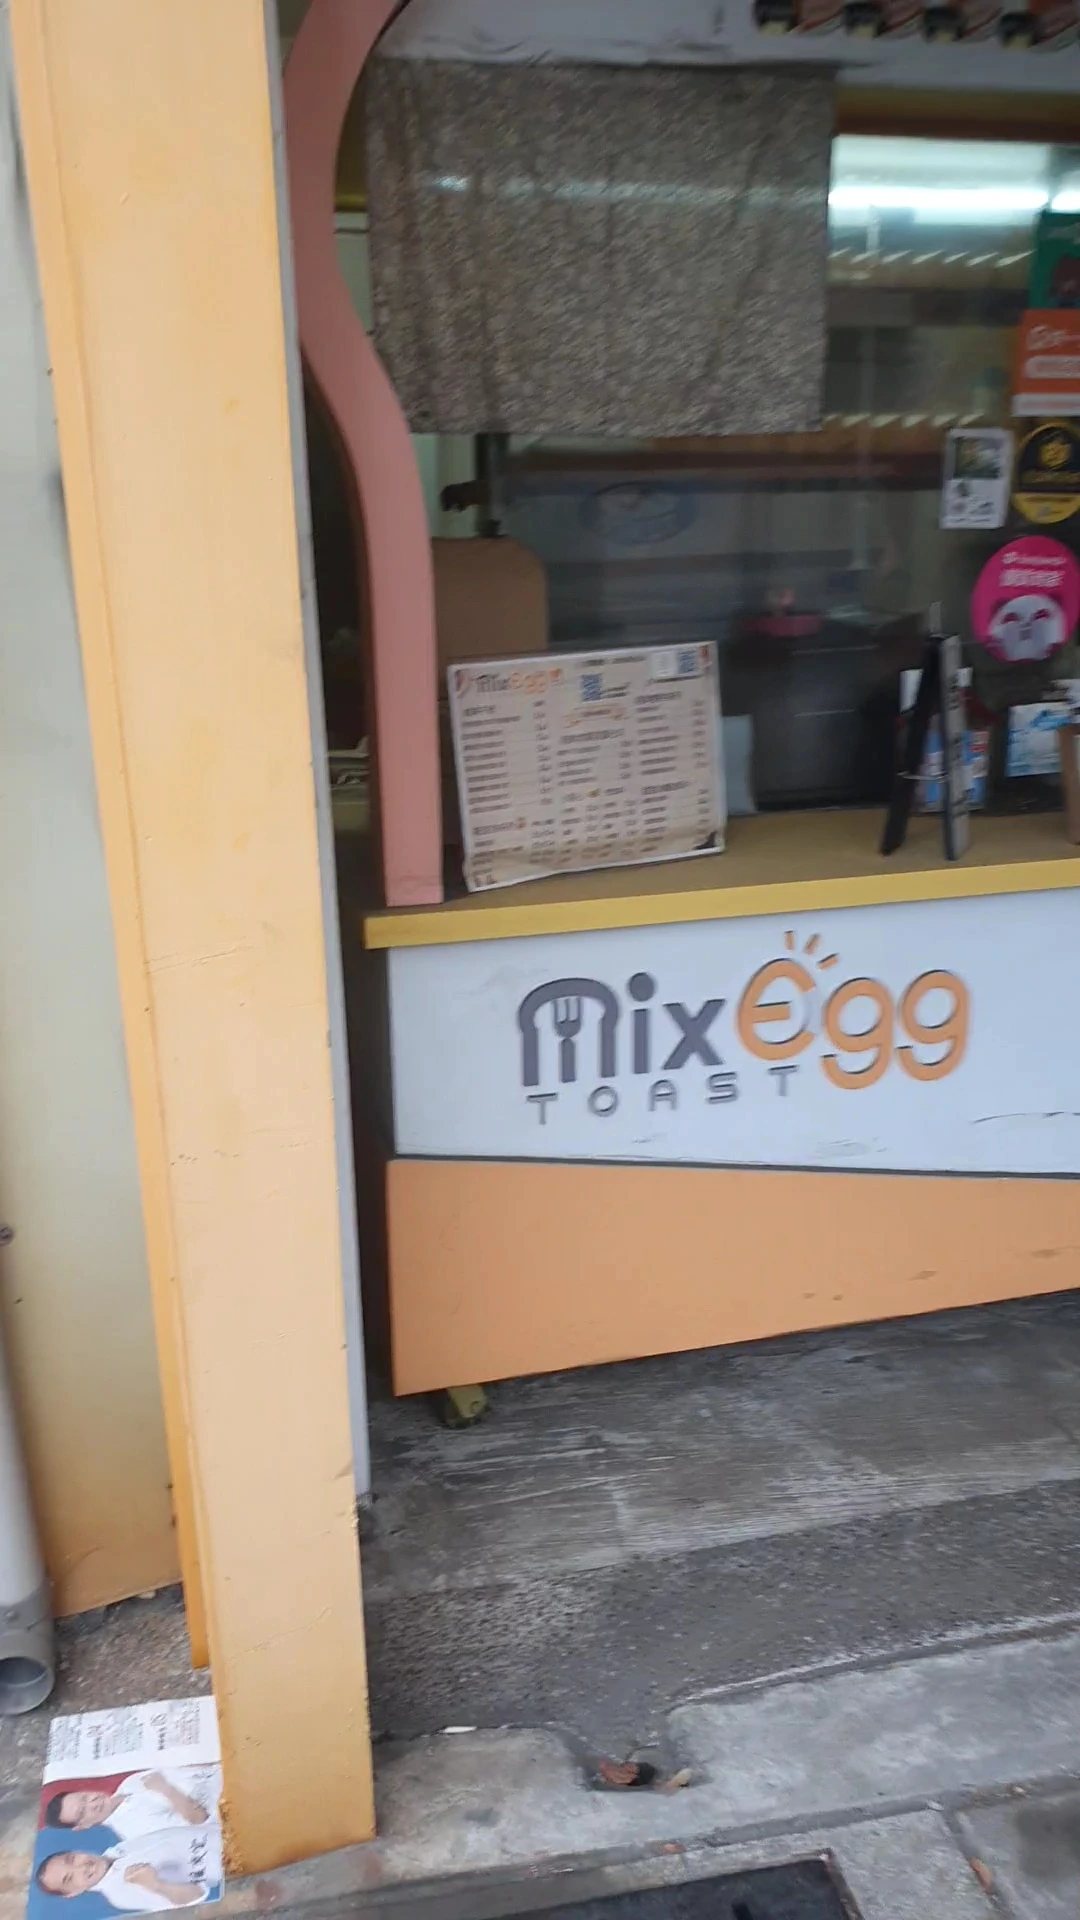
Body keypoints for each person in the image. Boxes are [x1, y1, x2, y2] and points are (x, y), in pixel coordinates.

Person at [35, 1822, 223, 1912]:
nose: (82, 1866)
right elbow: (197, 1896)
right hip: (228, 1857)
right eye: (69, 1878)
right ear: (72, 1893)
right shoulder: (120, 1894)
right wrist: (157, 1886)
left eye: (71, 1859)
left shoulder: (116, 1850)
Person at [44, 1770, 221, 1841]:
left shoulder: (128, 1784)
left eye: (84, 1797)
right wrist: (166, 1789)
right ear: (83, 1826)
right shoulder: (133, 1829)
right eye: (83, 1811)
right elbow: (200, 1820)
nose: (92, 1802)